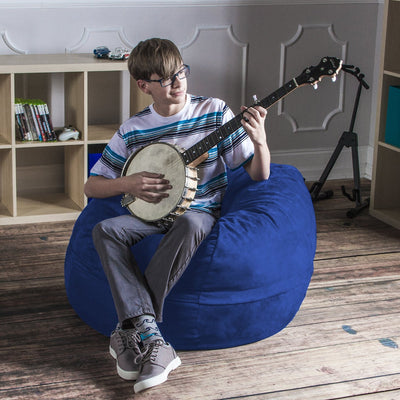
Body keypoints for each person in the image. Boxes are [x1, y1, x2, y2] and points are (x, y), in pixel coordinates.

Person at [84, 38, 270, 393]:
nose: (178, 82)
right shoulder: (134, 129)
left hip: (198, 212)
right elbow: (92, 187)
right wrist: (129, 183)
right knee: (105, 229)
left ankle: (132, 329)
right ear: (144, 86)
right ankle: (153, 338)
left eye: (180, 73)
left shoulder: (214, 112)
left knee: (189, 221)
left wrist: (260, 140)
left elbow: (259, 175)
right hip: (150, 214)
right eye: (166, 79)